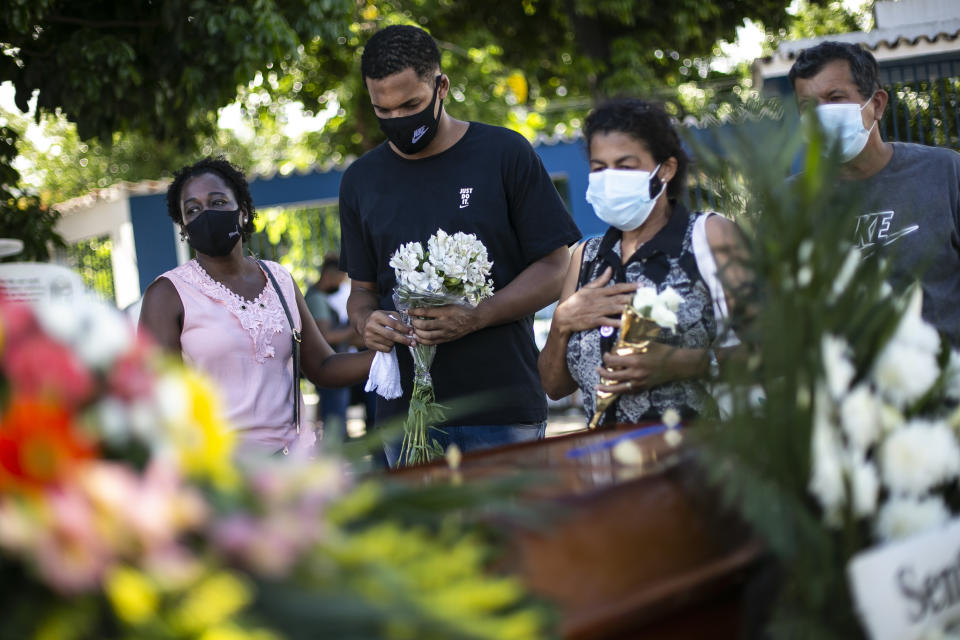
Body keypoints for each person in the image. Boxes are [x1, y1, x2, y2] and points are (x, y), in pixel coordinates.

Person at [338, 25, 582, 464]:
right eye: (383, 110)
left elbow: (555, 267)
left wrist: (476, 316)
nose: (398, 120)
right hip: (405, 418)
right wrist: (366, 323)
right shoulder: (360, 180)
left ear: (441, 86)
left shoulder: (505, 153)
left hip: (502, 408)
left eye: (410, 105)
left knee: (512, 535)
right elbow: (361, 292)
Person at [139, 157, 373, 455]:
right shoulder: (168, 294)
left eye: (218, 201)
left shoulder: (279, 279)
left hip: (293, 464)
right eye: (193, 210)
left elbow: (323, 366)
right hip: (223, 478)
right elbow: (155, 399)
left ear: (243, 213)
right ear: (184, 227)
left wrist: (393, 354)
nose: (206, 214)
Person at [538, 99, 747, 426]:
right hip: (607, 465)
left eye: (625, 166)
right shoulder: (586, 257)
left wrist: (683, 363)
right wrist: (563, 322)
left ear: (665, 169)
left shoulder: (708, 237)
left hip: (701, 460)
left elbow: (772, 350)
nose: (610, 179)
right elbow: (554, 386)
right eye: (599, 168)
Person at [789, 41, 960, 346]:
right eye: (808, 107)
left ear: (877, 104)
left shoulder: (944, 171)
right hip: (852, 389)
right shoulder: (791, 200)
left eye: (835, 98)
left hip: (946, 380)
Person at [304, 255, 356, 442]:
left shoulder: (319, 297)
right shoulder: (316, 298)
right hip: (329, 366)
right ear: (330, 275)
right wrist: (355, 327)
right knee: (335, 425)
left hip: (330, 365)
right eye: (341, 278)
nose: (342, 283)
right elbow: (327, 336)